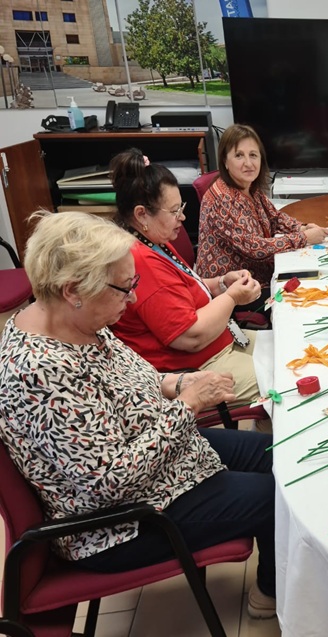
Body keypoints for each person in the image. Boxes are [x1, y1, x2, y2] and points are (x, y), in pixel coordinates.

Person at [0, 212, 277, 619]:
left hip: (161, 456)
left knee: (280, 454)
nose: (131, 300)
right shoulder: (39, 370)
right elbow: (109, 482)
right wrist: (189, 404)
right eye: (123, 289)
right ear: (74, 288)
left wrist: (180, 384)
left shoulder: (79, 317)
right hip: (119, 523)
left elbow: (140, 378)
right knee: (278, 497)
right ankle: (272, 592)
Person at [108, 148, 264, 407]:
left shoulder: (151, 241)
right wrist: (233, 297)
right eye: (173, 211)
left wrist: (223, 282)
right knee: (284, 380)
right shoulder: (139, 262)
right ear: (141, 214)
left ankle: (263, 432)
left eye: (181, 207)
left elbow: (185, 287)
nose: (182, 217)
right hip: (198, 365)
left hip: (219, 341)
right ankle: (259, 442)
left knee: (290, 351)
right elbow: (190, 337)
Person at [196, 124, 328, 285]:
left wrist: (301, 227)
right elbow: (254, 248)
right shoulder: (223, 199)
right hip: (233, 288)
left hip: (257, 274)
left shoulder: (249, 187)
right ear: (225, 161)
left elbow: (275, 217)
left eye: (253, 155)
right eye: (239, 156)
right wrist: (303, 237)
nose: (248, 163)